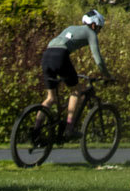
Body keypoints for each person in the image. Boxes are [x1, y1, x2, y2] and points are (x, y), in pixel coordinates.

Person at [39, 9, 112, 138]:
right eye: (99, 28)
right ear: (94, 25)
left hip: (46, 56)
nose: (98, 31)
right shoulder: (91, 33)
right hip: (60, 56)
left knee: (50, 98)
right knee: (76, 91)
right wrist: (107, 75)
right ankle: (69, 128)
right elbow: (98, 60)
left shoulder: (71, 28)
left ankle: (36, 129)